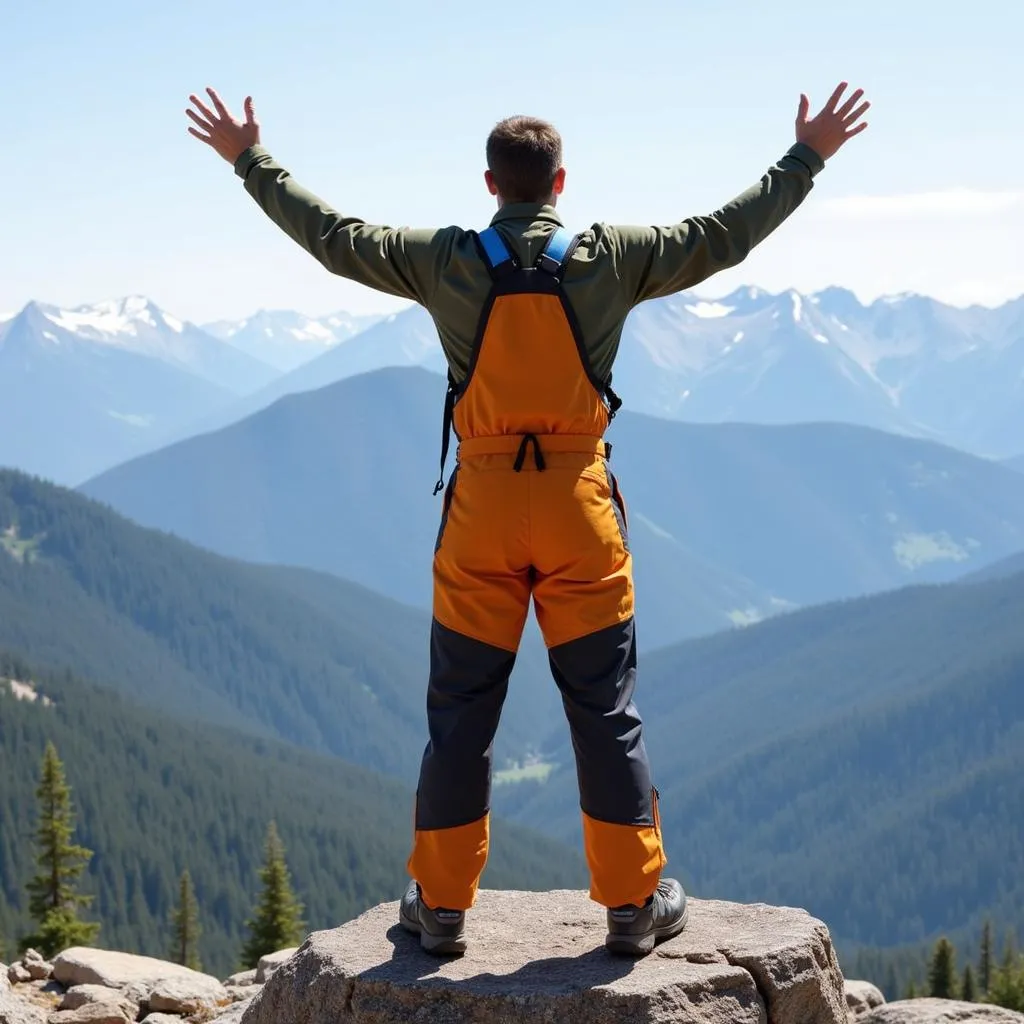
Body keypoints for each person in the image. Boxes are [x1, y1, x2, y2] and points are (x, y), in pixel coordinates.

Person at [186, 82, 869, 957]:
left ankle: (439, 908)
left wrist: (250, 159)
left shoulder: (447, 259)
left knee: (462, 712)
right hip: (581, 509)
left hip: (482, 509)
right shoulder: (613, 256)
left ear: (490, 183)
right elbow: (723, 235)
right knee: (604, 708)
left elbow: (335, 240)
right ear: (559, 182)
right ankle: (631, 904)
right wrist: (806, 155)